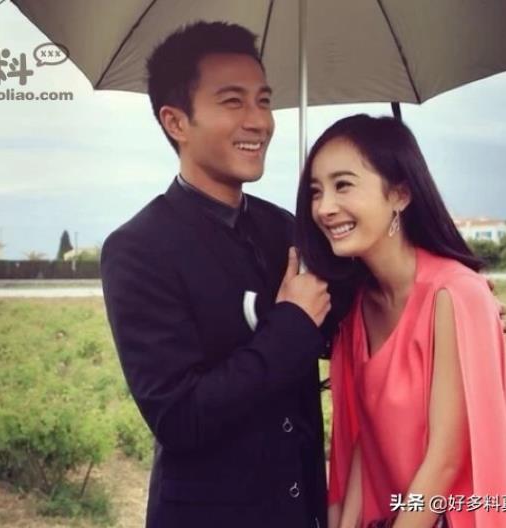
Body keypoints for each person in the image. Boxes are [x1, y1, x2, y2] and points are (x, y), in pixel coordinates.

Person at [100, 21, 332, 528]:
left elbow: (348, 328)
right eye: (233, 102)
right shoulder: (139, 249)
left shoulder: (286, 229)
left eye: (264, 101)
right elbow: (181, 417)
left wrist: (444, 309)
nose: (259, 122)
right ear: (176, 122)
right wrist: (291, 324)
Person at [295, 114, 506, 528]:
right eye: (316, 191)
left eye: (343, 185)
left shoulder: (454, 294)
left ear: (400, 195)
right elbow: (363, 445)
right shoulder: (356, 310)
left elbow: (445, 460)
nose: (324, 208)